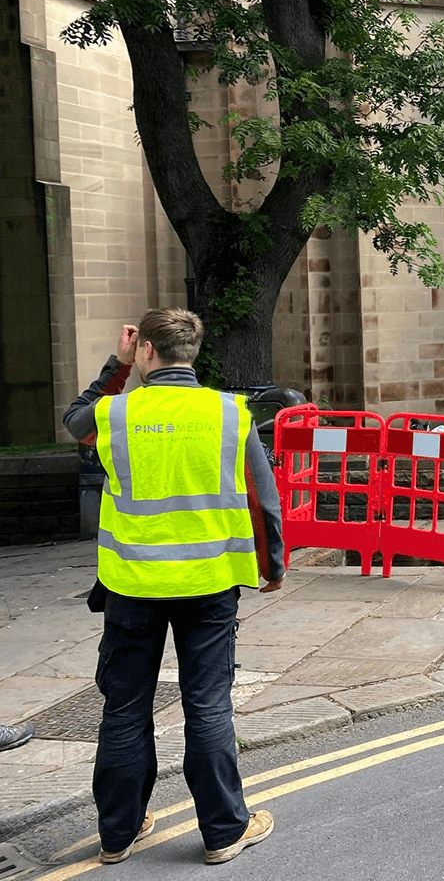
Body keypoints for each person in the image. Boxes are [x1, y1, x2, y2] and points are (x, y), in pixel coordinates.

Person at [64, 308, 285, 866]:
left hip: (132, 584)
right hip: (209, 583)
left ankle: (118, 834)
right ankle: (223, 832)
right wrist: (273, 565)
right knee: (207, 707)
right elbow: (263, 497)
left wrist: (115, 367)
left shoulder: (114, 413)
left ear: (145, 350)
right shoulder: (230, 413)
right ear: (192, 352)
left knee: (125, 707)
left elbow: (74, 421)